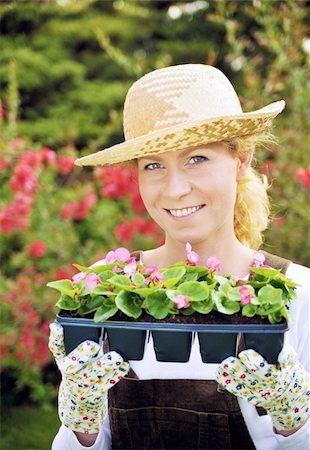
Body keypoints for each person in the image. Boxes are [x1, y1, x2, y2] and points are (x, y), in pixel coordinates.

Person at [49, 64, 309, 450]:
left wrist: (294, 423)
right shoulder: (103, 292)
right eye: (154, 165)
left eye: (197, 158)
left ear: (241, 159)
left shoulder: (299, 295)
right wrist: (81, 421)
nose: (175, 189)